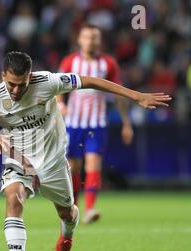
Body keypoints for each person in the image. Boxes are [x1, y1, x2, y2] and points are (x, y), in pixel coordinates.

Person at [0, 51, 171, 251]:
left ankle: (67, 232)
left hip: (53, 160)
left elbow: (92, 81)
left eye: (21, 85)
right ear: (3, 76)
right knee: (14, 198)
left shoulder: (48, 82)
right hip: (18, 159)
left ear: (30, 77)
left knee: (67, 212)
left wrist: (136, 96)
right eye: (11, 84)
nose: (15, 91)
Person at [56, 24, 134, 224]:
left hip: (96, 124)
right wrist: (60, 103)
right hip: (73, 123)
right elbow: (56, 86)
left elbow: (118, 94)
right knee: (73, 168)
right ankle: (74, 208)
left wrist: (126, 123)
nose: (91, 41)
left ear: (100, 41)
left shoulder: (108, 64)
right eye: (87, 37)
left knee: (93, 165)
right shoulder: (70, 61)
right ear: (80, 40)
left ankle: (90, 208)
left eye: (94, 37)